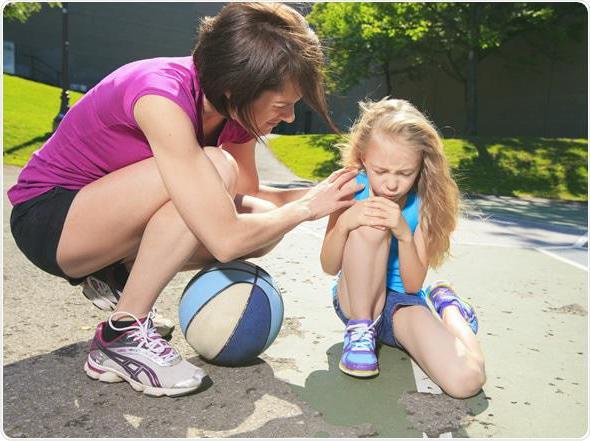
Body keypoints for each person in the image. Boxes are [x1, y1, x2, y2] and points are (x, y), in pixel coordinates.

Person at [8, 3, 364, 397]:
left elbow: (249, 197)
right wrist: (305, 210)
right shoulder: (160, 92)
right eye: (282, 105)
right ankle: (122, 333)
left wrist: (328, 195)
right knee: (216, 169)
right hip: (49, 219)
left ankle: (113, 275)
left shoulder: (236, 110)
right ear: (236, 88)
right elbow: (224, 238)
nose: (291, 118)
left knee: (259, 221)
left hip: (102, 219)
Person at [320, 98, 486, 398]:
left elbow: (411, 284)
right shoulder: (351, 188)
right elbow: (329, 266)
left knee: (467, 381)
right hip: (355, 298)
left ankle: (450, 308)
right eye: (381, 171)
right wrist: (346, 223)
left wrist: (403, 233)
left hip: (401, 304)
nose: (392, 184)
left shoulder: (420, 205)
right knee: (372, 222)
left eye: (405, 173)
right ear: (363, 157)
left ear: (420, 167)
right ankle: (360, 331)